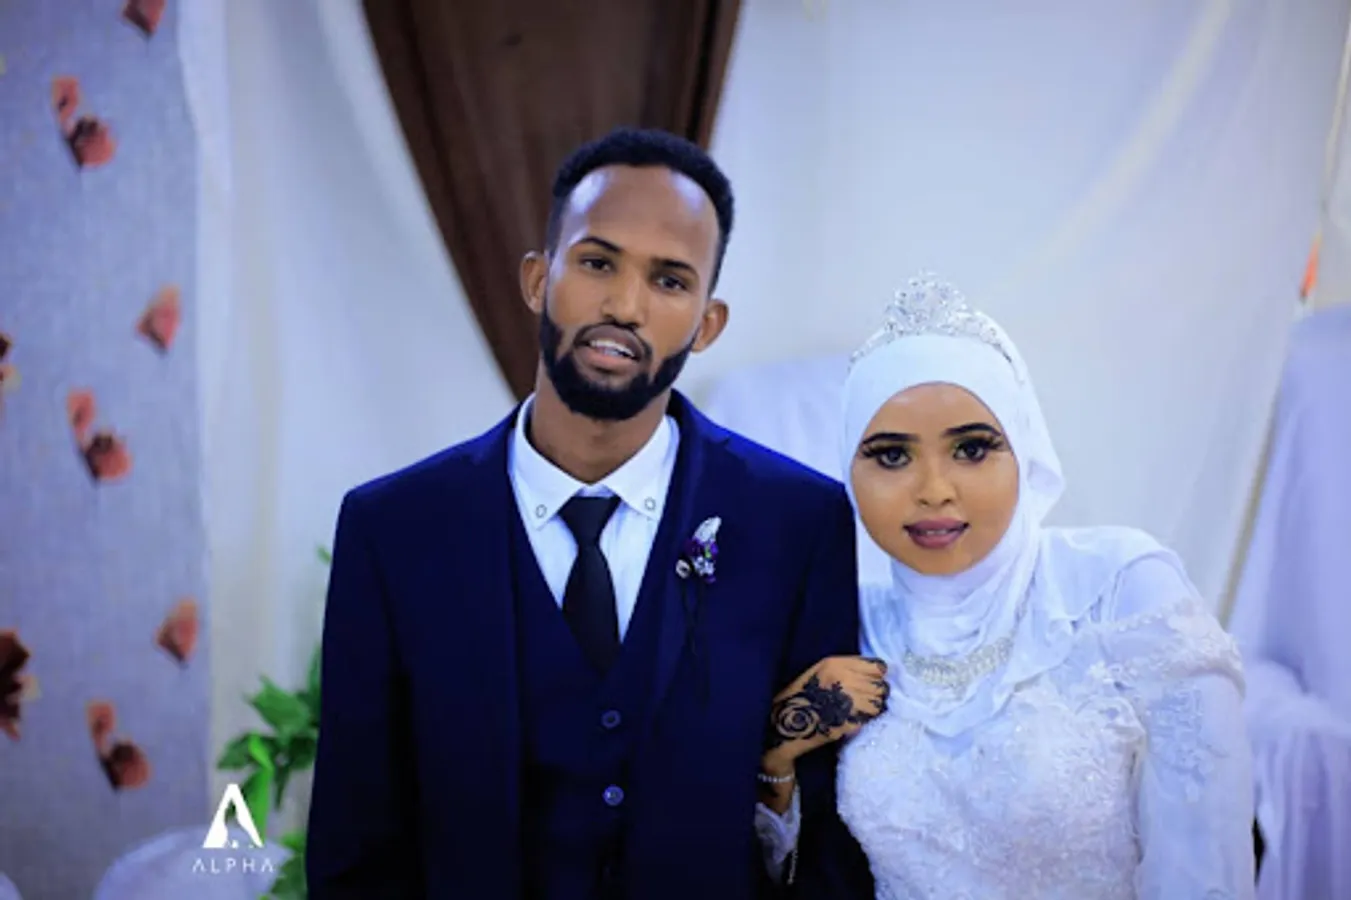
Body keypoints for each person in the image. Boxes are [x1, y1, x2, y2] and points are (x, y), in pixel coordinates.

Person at [305, 127, 879, 899]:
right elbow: (355, 849)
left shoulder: (798, 523)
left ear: (707, 323)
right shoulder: (392, 530)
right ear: (537, 279)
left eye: (668, 280)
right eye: (597, 262)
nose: (623, 305)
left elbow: (828, 842)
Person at [759, 275, 1257, 898]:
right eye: (891, 456)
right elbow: (792, 871)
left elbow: (1206, 858)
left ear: (1025, 448)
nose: (934, 490)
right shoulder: (847, 623)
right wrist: (775, 747)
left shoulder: (1116, 588)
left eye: (972, 449)